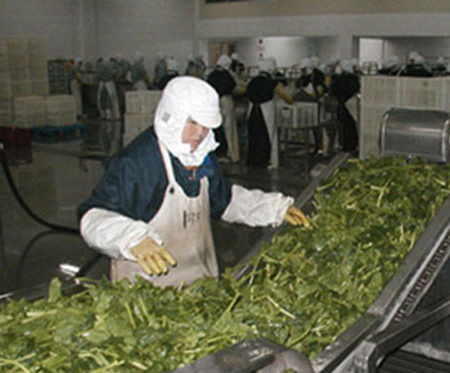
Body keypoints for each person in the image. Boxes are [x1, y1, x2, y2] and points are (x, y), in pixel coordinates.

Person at [77, 76, 309, 288]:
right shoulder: (138, 163)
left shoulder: (200, 154)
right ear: (172, 117)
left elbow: (224, 200)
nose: (200, 133)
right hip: (146, 292)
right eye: (193, 123)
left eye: (206, 126)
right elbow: (93, 217)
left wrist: (273, 208)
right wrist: (130, 238)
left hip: (199, 285)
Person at [246, 57, 293, 169]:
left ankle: (254, 160)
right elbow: (288, 98)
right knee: (269, 135)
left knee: (254, 136)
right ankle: (270, 161)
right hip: (267, 112)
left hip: (252, 112)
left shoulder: (252, 81)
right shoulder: (272, 82)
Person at [207, 54, 244, 163]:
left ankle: (218, 153)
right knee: (229, 128)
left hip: (214, 102)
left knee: (217, 128)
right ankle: (232, 154)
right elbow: (234, 88)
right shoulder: (226, 75)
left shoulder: (211, 75)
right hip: (226, 101)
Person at [328, 59, 360, 153]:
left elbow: (332, 91)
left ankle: (344, 146)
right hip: (351, 106)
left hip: (341, 107)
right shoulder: (353, 79)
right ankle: (352, 147)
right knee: (351, 127)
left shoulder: (337, 80)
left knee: (343, 128)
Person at [96, 56, 121, 120]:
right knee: (112, 100)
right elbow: (119, 72)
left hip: (102, 84)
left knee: (102, 100)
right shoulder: (112, 65)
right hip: (110, 83)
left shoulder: (99, 66)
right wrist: (116, 79)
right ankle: (115, 115)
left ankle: (104, 115)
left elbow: (97, 76)